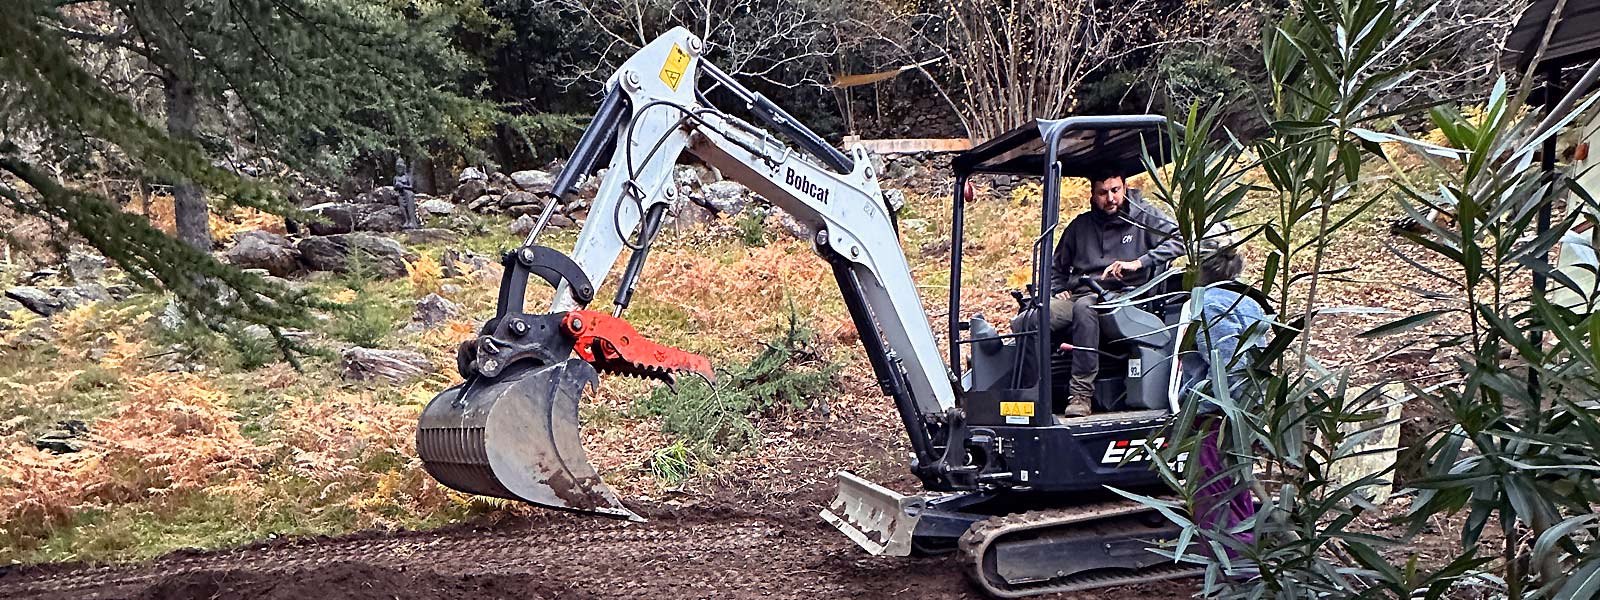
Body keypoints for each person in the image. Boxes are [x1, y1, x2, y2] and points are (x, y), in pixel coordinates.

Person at [1011, 168, 1185, 417]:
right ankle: (1035, 393)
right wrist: (1058, 289)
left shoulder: (1144, 218)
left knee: (1086, 308)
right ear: (1093, 195)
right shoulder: (1081, 226)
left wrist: (1140, 262)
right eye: (1103, 193)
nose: (1110, 198)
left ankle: (1081, 394)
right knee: (1029, 318)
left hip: (1126, 297)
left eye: (1115, 191)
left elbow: (1180, 238)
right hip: (1081, 293)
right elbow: (1054, 267)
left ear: (1124, 188)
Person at [1179, 223, 1269, 561]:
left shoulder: (1210, 305)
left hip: (1219, 418)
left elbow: (1227, 365)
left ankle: (1234, 572)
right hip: (1244, 414)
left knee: (1214, 495)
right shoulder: (1249, 300)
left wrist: (1228, 417)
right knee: (1236, 491)